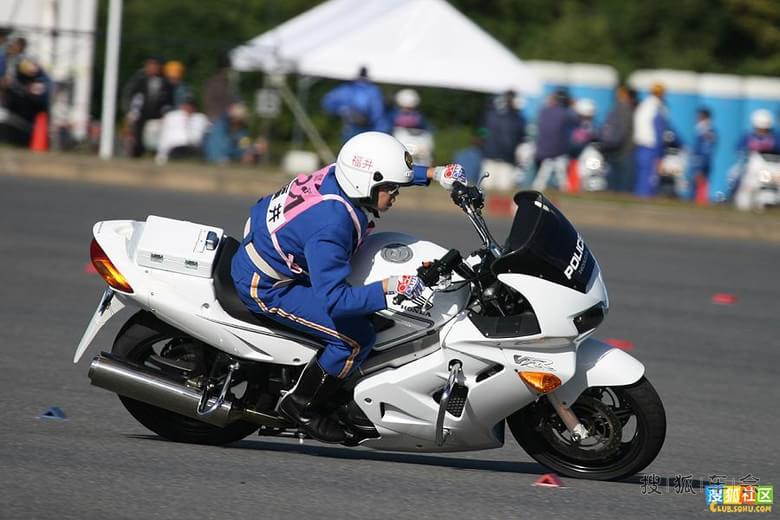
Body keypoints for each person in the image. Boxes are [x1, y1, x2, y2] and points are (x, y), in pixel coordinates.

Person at [231, 131, 467, 443]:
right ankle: (300, 405)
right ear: (366, 185)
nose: (395, 194)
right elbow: (334, 300)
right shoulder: (334, 225)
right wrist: (391, 287)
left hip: (275, 247)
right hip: (268, 285)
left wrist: (435, 174)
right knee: (356, 336)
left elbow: (381, 172)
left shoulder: (339, 176)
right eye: (390, 189)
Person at [122, 56, 174, 157]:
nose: (152, 68)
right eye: (150, 65)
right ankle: (137, 153)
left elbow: (168, 100)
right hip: (140, 114)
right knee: (137, 135)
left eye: (155, 66)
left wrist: (166, 113)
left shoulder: (165, 82)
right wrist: (130, 111)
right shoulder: (139, 79)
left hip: (158, 115)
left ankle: (157, 154)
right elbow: (130, 95)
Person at [632, 83, 676, 197]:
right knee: (650, 177)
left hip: (640, 145)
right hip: (651, 146)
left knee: (641, 176)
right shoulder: (657, 107)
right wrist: (659, 154)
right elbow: (659, 130)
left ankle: (639, 197)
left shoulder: (644, 104)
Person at [322, 66, 386, 142]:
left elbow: (378, 112)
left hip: (364, 126)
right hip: (354, 127)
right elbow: (328, 102)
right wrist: (344, 110)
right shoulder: (371, 90)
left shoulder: (348, 88)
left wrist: (343, 110)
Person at [481, 90, 526, 191]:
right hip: (502, 158)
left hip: (497, 157)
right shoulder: (518, 120)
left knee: (489, 191)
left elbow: (483, 132)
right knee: (498, 191)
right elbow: (521, 139)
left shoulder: (492, 115)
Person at [532, 88, 575, 192]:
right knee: (561, 180)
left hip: (543, 151)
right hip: (557, 153)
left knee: (541, 180)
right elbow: (576, 121)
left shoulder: (543, 111)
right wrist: (572, 106)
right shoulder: (565, 113)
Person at [601, 86, 637, 192]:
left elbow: (620, 130)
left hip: (619, 149)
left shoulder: (620, 108)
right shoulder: (624, 108)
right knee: (620, 181)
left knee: (617, 180)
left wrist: (609, 143)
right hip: (621, 150)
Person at [154, 96, 209, 165]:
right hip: (175, 148)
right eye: (187, 105)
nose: (189, 108)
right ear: (182, 106)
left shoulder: (200, 118)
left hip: (192, 148)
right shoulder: (172, 116)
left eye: (191, 106)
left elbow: (208, 130)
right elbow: (164, 135)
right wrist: (162, 154)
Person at [690, 108, 717, 205]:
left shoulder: (707, 131)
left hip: (701, 165)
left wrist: (700, 169)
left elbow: (706, 152)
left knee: (699, 192)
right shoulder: (701, 130)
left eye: (699, 116)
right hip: (697, 164)